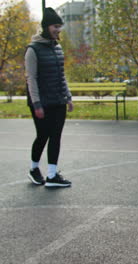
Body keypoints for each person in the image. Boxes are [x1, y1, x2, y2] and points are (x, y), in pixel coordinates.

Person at [25, 7, 73, 188]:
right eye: (55, 26)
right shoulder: (33, 49)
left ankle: (52, 175)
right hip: (41, 102)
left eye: (60, 26)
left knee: (56, 136)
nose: (58, 30)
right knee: (43, 135)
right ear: (46, 27)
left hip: (58, 100)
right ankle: (33, 169)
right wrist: (37, 104)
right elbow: (31, 79)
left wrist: (68, 96)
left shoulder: (57, 47)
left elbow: (61, 75)